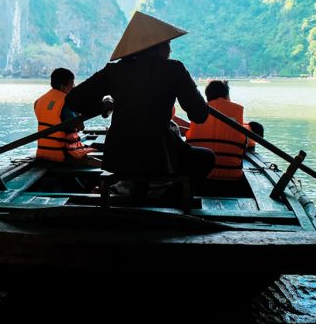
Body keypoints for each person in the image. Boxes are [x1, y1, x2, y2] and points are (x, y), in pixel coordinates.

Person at [65, 11, 214, 192]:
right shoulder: (174, 69)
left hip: (119, 158)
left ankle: (132, 192)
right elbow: (199, 115)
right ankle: (172, 195)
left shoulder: (114, 71)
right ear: (155, 46)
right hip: (159, 157)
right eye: (167, 43)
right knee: (207, 158)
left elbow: (73, 100)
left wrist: (102, 106)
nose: (170, 49)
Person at [186, 80, 248, 191]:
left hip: (201, 175)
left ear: (207, 96)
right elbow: (247, 142)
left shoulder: (199, 111)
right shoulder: (237, 111)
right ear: (226, 95)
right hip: (231, 176)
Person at [34, 67, 95, 163]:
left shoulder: (38, 101)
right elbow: (80, 127)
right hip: (64, 155)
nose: (73, 87)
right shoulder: (67, 102)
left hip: (43, 153)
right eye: (72, 84)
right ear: (63, 87)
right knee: (98, 161)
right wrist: (79, 109)